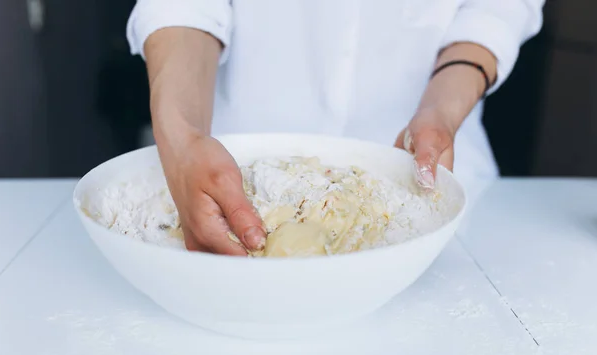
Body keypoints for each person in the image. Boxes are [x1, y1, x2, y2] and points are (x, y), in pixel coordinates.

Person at [126, 0, 544, 256]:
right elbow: (182, 5)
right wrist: (184, 135)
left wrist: (442, 111)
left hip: (431, 182)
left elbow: (494, 9)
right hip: (234, 172)